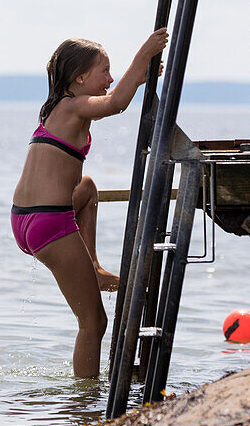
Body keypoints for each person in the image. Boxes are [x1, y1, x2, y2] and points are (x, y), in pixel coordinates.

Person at [11, 28, 168, 377]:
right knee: (94, 322)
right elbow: (115, 104)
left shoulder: (57, 108)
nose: (111, 79)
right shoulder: (75, 106)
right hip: (49, 222)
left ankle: (93, 268)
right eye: (104, 71)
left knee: (88, 186)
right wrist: (144, 52)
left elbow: (116, 93)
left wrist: (139, 77)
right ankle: (83, 404)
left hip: (26, 218)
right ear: (80, 78)